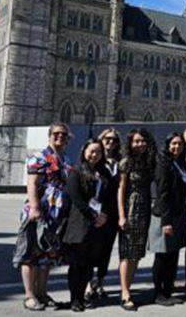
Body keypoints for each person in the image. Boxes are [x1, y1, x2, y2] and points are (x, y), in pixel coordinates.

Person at [14, 123, 73, 311]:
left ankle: (42, 292)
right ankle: (30, 295)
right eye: (56, 134)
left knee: (47, 255)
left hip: (56, 214)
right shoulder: (39, 157)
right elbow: (32, 184)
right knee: (31, 253)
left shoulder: (65, 158)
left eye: (63, 134)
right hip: (39, 210)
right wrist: (34, 207)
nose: (60, 137)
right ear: (49, 136)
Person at [64, 138, 117, 312]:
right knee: (77, 264)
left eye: (98, 152)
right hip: (80, 222)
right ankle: (75, 299)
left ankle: (83, 295)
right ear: (84, 152)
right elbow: (76, 198)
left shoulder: (105, 173)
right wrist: (92, 215)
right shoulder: (76, 171)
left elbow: (110, 198)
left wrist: (104, 215)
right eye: (92, 151)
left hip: (99, 224)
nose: (94, 155)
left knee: (89, 264)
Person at [117, 128, 156, 311]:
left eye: (142, 141)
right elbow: (121, 189)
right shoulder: (126, 162)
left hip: (144, 210)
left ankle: (128, 288)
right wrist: (122, 215)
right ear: (130, 143)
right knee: (127, 252)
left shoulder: (147, 163)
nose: (140, 144)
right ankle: (124, 293)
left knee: (137, 253)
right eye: (136, 141)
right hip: (130, 209)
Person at [150, 132, 186, 306]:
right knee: (162, 256)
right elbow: (163, 193)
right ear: (167, 145)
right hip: (164, 217)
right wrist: (166, 221)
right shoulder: (163, 164)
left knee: (173, 255)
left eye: (180, 144)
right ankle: (158, 293)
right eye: (173, 144)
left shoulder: (180, 163)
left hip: (177, 215)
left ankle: (168, 291)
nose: (177, 147)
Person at [86, 128, 121, 302]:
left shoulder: (120, 162)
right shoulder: (94, 161)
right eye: (107, 139)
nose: (110, 142)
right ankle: (87, 283)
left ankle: (99, 282)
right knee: (92, 249)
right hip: (96, 213)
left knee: (106, 250)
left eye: (114, 140)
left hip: (113, 213)